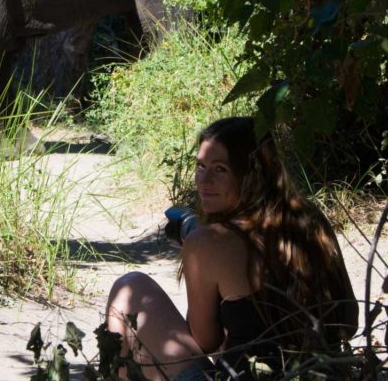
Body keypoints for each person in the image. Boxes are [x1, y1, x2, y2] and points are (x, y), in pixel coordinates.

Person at [105, 116, 358, 380]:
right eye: (201, 166)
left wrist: (198, 243)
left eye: (220, 169)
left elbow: (205, 342)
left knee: (130, 288)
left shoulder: (207, 242)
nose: (204, 181)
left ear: (253, 173)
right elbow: (348, 323)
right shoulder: (310, 219)